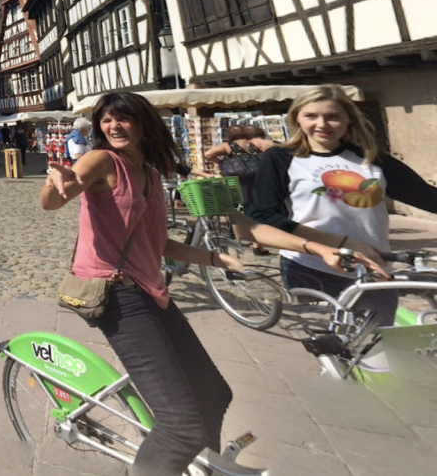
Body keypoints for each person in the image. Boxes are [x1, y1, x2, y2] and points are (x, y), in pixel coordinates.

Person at [41, 92, 244, 476]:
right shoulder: (101, 160)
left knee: (214, 394)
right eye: (106, 120)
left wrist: (215, 258)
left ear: (142, 123)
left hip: (152, 291)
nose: (114, 126)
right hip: (116, 293)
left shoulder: (151, 174)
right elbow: (52, 201)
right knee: (180, 426)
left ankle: (199, 468)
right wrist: (58, 184)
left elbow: (158, 242)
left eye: (124, 119)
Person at [247, 84, 437, 326]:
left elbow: (427, 197)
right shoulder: (281, 158)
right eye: (311, 116)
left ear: (349, 119)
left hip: (372, 269)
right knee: (332, 350)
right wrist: (341, 244)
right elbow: (262, 214)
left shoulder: (371, 158)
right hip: (310, 267)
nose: (322, 124)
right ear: (297, 118)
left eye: (333, 117)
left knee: (380, 346)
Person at [205, 125, 267, 253]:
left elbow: (208, 154)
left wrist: (221, 163)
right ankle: (257, 244)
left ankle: (239, 238)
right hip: (256, 178)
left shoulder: (229, 145)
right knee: (256, 210)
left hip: (235, 180)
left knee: (235, 210)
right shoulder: (253, 143)